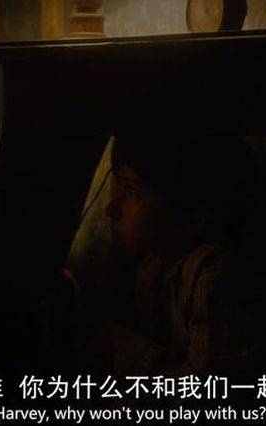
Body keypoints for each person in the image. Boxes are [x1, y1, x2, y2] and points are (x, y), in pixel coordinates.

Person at [80, 131, 255, 378]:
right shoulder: (152, 267)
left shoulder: (213, 277)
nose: (111, 208)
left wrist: (136, 352)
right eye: (118, 186)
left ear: (191, 210)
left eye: (131, 190)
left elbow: (210, 389)